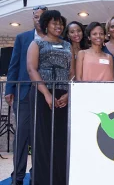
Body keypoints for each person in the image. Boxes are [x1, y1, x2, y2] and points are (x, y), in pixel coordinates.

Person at [27, 10, 74, 185]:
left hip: (63, 96)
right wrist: (46, 93)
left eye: (61, 23)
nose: (58, 26)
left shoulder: (68, 46)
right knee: (43, 139)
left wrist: (69, 94)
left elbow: (72, 72)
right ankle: (42, 180)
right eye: (54, 23)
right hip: (42, 94)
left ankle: (60, 180)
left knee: (61, 139)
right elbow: (32, 69)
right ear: (46, 24)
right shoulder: (36, 44)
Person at [5, 5, 47, 185]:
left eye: (41, 17)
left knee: (40, 138)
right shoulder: (23, 38)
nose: (38, 20)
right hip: (23, 94)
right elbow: (14, 65)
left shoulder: (57, 39)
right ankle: (18, 177)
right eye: (36, 17)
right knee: (21, 137)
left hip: (45, 95)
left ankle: (36, 175)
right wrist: (9, 89)